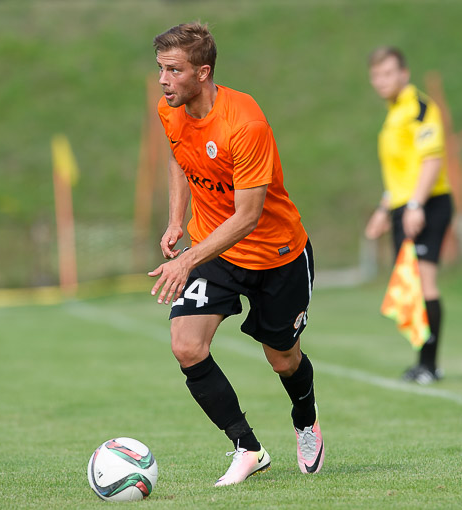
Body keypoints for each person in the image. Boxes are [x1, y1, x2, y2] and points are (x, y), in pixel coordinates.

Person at [147, 22, 324, 486]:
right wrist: (175, 220)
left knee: (283, 360)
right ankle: (247, 448)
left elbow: (247, 217)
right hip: (217, 252)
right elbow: (179, 158)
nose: (163, 80)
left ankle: (306, 420)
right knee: (186, 346)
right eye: (160, 69)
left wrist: (185, 260)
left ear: (203, 73)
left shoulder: (245, 124)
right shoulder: (171, 110)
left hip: (276, 255)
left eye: (174, 70)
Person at [364, 46, 454, 385]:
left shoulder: (419, 108)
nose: (381, 81)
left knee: (424, 281)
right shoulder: (394, 113)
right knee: (410, 284)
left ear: (404, 74)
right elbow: (403, 173)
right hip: (405, 206)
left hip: (429, 203)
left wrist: (415, 205)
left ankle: (430, 365)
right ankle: (423, 363)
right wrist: (384, 209)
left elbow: (431, 161)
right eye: (376, 75)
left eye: (388, 73)